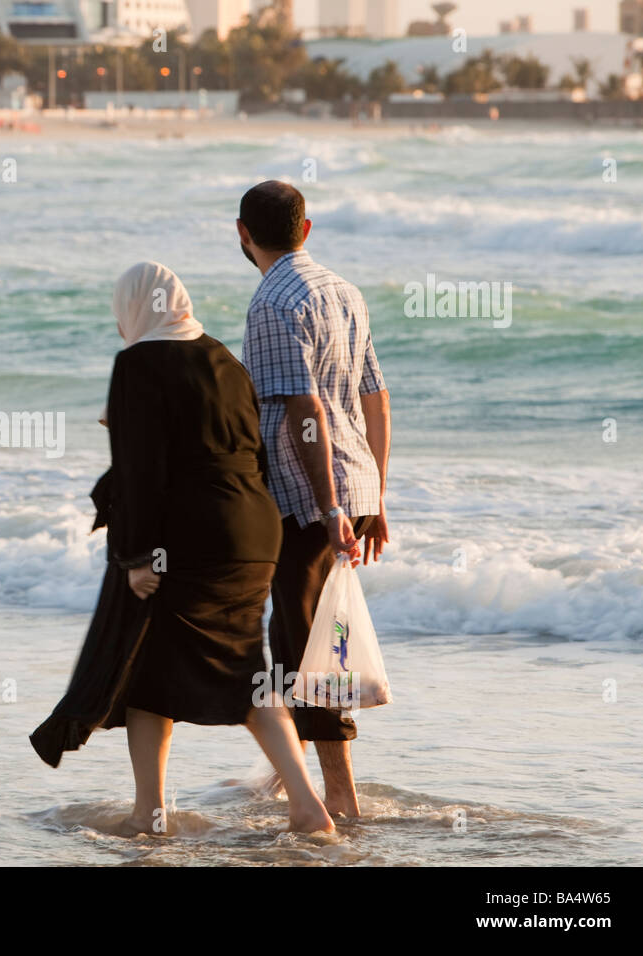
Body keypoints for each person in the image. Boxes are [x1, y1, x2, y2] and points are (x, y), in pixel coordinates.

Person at [30, 261, 335, 835]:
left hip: (190, 536)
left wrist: (137, 557)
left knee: (166, 669)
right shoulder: (226, 360)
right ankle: (297, 805)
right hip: (252, 529)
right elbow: (242, 447)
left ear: (135, 306)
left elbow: (140, 472)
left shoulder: (137, 363)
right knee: (233, 670)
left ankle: (158, 814)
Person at [236, 181, 392, 819]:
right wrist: (374, 495)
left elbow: (304, 409)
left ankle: (339, 794)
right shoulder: (344, 291)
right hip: (352, 481)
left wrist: (328, 511)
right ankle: (291, 774)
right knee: (317, 633)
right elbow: (375, 397)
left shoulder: (271, 302)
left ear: (242, 234)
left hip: (307, 495)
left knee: (306, 641)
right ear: (306, 229)